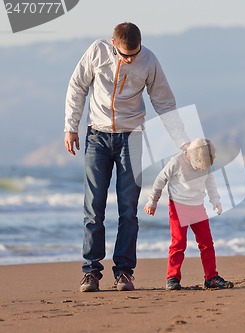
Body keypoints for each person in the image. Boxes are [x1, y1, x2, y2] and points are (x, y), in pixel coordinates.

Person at [64, 22, 190, 292]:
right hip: (97, 136)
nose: (130, 59)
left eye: (134, 54)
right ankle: (91, 273)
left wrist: (182, 142)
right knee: (93, 209)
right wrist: (70, 126)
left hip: (132, 138)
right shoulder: (96, 52)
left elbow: (164, 102)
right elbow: (77, 86)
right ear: (113, 44)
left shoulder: (149, 60)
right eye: (125, 55)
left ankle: (123, 272)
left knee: (128, 210)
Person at [144, 138, 234, 290]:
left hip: (198, 206)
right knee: (178, 244)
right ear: (191, 157)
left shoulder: (206, 159)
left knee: (206, 243)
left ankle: (211, 277)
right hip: (179, 207)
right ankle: (172, 278)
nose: (201, 169)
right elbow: (160, 180)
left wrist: (215, 200)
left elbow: (210, 182)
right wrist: (152, 201)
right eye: (199, 166)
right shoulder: (176, 162)